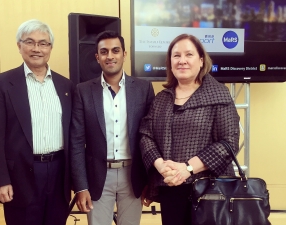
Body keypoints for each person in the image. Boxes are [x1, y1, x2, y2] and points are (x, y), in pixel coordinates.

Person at [139, 34, 240, 225]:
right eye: (176, 56)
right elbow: (146, 135)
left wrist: (187, 168)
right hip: (170, 188)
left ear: (201, 60)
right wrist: (161, 166)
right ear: (170, 62)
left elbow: (229, 143)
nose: (182, 61)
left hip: (210, 191)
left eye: (189, 54)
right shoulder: (161, 98)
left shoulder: (219, 94)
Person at [0, 19, 73, 225]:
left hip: (59, 173)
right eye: (30, 42)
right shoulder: (2, 84)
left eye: (43, 43)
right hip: (21, 176)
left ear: (50, 48)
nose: (37, 49)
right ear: (19, 46)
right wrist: (0, 180)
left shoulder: (66, 85)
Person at [70, 30, 155, 225]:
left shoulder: (143, 89)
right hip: (97, 176)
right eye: (104, 51)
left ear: (124, 54)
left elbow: (150, 137)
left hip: (133, 175)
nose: (110, 56)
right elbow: (76, 142)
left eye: (115, 50)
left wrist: (150, 181)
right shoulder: (83, 91)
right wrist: (81, 186)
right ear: (97, 57)